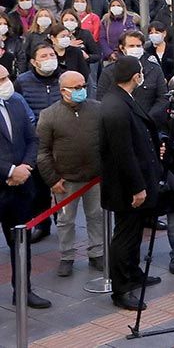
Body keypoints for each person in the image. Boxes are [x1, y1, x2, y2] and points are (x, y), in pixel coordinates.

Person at [99, 56, 163, 311]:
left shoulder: (122, 99)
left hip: (135, 179)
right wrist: (137, 187)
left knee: (134, 233)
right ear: (136, 76)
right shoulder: (115, 106)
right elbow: (122, 152)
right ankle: (121, 288)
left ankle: (133, 272)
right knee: (124, 236)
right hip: (125, 187)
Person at [36, 71, 105, 278]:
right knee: (66, 221)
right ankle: (67, 256)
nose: (80, 90)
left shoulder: (97, 109)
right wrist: (52, 179)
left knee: (97, 216)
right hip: (66, 180)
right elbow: (42, 151)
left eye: (82, 86)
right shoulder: (49, 115)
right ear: (63, 91)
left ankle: (97, 252)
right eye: (76, 88)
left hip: (95, 177)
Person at [0, 64, 51, 308]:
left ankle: (22, 290)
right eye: (1, 80)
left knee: (20, 243)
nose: (6, 83)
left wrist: (25, 168)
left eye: (7, 77)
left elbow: (33, 139)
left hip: (20, 188)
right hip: (4, 182)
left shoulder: (16, 103)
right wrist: (10, 171)